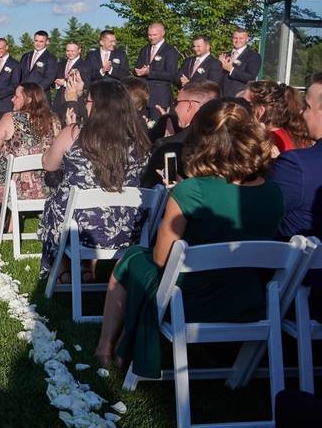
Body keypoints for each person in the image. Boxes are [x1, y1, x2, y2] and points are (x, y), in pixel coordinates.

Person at [95, 99, 283, 377]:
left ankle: (106, 349)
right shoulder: (274, 192)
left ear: (202, 140)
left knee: (133, 258)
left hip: (190, 302)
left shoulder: (192, 190)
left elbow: (161, 259)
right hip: (249, 301)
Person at [39, 78, 151, 278]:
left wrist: (68, 130)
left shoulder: (73, 134)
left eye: (88, 101)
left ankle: (64, 267)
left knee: (57, 201)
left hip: (80, 227)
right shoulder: (140, 140)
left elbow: (48, 164)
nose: (85, 105)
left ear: (99, 106)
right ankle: (87, 266)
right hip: (127, 229)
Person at [0, 83, 61, 235]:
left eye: (16, 96)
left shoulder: (10, 118)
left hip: (12, 186)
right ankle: (14, 221)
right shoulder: (54, 120)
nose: (12, 99)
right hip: (47, 186)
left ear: (28, 100)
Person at [270, 74, 322, 316]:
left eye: (308, 108)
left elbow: (262, 216)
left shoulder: (298, 165)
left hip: (299, 291)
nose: (302, 114)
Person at [140, 81, 220, 188]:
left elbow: (147, 186)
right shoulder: (226, 142)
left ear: (189, 105)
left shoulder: (167, 145)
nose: (175, 108)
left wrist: (167, 142)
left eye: (176, 103)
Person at [241, 80, 312, 154]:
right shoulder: (294, 135)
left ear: (260, 111)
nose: (237, 107)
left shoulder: (262, 143)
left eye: (244, 103)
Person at [133, 22, 179, 120]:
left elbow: (171, 75)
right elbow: (137, 68)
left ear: (163, 33)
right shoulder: (144, 49)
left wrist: (150, 73)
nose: (151, 37)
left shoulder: (170, 51)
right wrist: (137, 71)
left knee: (157, 129)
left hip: (160, 98)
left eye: (154, 35)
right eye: (149, 35)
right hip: (143, 96)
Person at [52, 41, 92, 123]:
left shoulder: (85, 65)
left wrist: (65, 84)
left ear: (79, 50)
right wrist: (57, 84)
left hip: (75, 101)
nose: (70, 53)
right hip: (59, 102)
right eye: (67, 51)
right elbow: (54, 80)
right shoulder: (60, 64)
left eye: (72, 51)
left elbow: (86, 84)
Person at [220, 27, 262, 98]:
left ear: (247, 39)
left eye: (241, 38)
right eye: (235, 38)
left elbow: (250, 77)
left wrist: (231, 70)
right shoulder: (226, 55)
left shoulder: (253, 56)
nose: (237, 40)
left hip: (238, 97)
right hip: (221, 96)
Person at [19, 31, 58, 101]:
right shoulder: (25, 56)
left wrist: (33, 93)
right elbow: (19, 75)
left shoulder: (51, 58)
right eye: (36, 41)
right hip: (23, 96)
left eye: (41, 41)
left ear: (47, 42)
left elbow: (49, 79)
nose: (38, 44)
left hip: (40, 97)